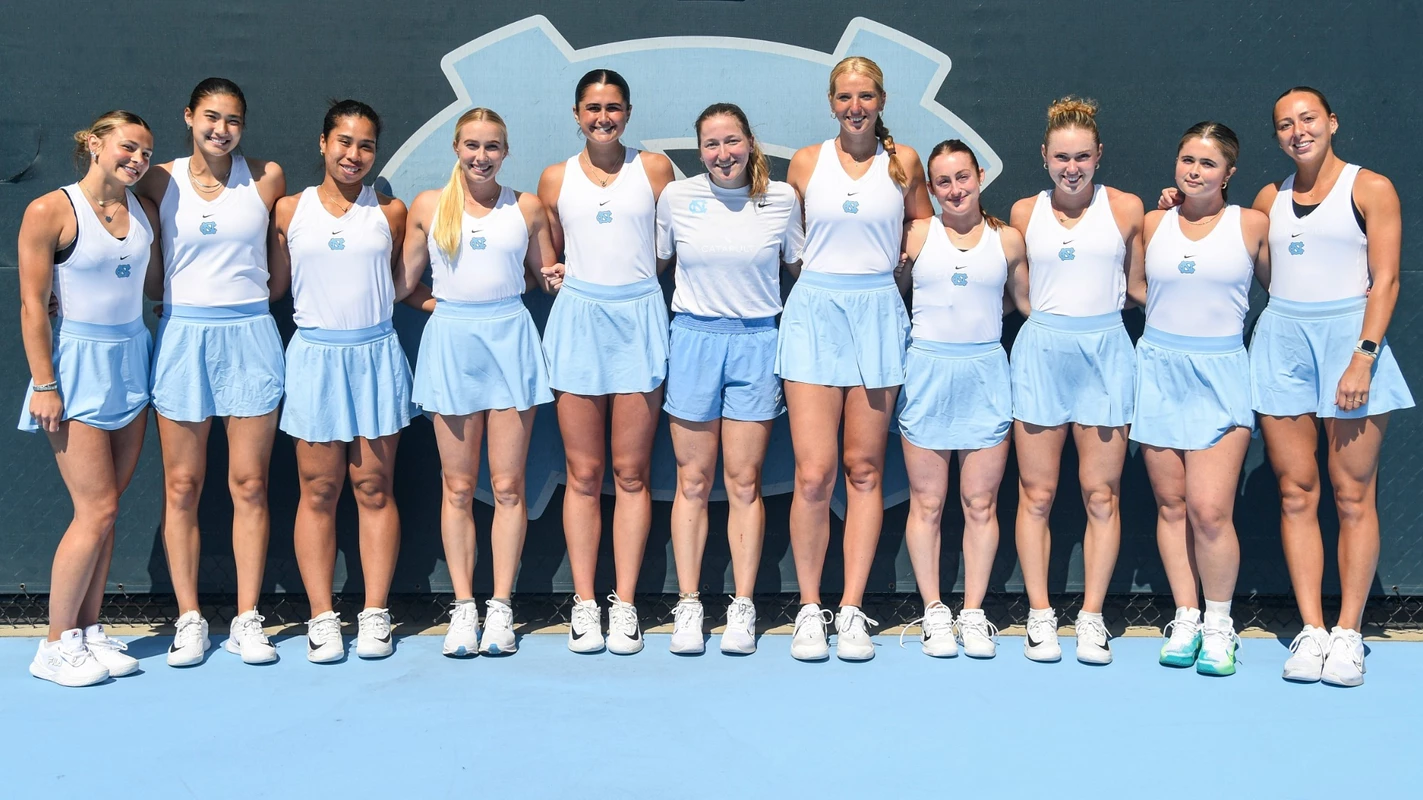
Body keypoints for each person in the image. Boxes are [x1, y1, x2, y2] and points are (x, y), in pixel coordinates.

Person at [1163, 88, 1414, 686]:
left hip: (1351, 344)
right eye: (1284, 124)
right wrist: (1182, 201)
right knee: (1297, 492)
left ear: (1331, 121)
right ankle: (1312, 631)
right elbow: (1248, 261)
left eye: (1307, 119)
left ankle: (1349, 633)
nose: (1297, 130)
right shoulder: (1267, 199)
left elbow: (1388, 281)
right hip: (1281, 343)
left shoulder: (1370, 188)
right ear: (1276, 137)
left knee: (1353, 496)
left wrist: (1363, 357)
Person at [780, 56, 933, 662]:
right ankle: (810, 610)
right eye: (845, 96)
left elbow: (922, 220)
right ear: (831, 101)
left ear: (881, 100)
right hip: (814, 316)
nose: (855, 107)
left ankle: (851, 611)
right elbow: (790, 241)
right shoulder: (806, 162)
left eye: (866, 95)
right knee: (814, 475)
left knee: (864, 470)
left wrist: (903, 262)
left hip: (876, 317)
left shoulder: (906, 163)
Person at [135, 78, 286, 667]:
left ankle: (248, 618)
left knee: (249, 485)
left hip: (250, 335)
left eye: (233, 120)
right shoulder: (159, 178)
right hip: (181, 338)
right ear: (189, 116)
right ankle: (191, 618)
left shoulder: (267, 178)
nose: (221, 129)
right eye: (211, 117)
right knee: (182, 487)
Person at [401, 108, 557, 657]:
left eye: (492, 147)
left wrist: (560, 276)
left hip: (511, 342)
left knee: (509, 487)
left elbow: (548, 275)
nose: (481, 156)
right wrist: (443, 305)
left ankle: (500, 609)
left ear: (506, 152)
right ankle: (464, 608)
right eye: (472, 145)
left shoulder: (528, 208)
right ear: (456, 148)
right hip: (451, 345)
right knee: (459, 487)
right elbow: (403, 284)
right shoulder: (427, 207)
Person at [656, 103, 804, 656]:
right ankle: (690, 604)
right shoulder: (677, 198)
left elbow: (804, 270)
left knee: (744, 483)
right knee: (692, 481)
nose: (723, 154)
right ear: (701, 151)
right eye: (712, 145)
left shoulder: (782, 198)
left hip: (757, 343)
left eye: (732, 141)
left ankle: (742, 606)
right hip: (693, 340)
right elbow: (646, 262)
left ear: (749, 142)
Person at [536, 69, 676, 655]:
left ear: (628, 111)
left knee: (631, 473)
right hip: (578, 325)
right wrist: (559, 277)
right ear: (575, 113)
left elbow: (669, 248)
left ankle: (624, 605)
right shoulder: (553, 178)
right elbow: (547, 259)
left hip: (639, 320)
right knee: (585, 475)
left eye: (613, 107)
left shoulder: (655, 169)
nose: (603, 117)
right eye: (592, 108)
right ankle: (585, 603)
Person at [269, 100, 413, 663]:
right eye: (344, 143)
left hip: (376, 358)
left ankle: (375, 613)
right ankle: (323, 617)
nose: (354, 155)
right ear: (323, 143)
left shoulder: (391, 212)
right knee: (319, 492)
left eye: (366, 146)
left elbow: (402, 283)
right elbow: (274, 286)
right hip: (314, 361)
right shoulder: (287, 210)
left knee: (374, 489)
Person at [18, 111, 159, 686]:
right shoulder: (50, 209)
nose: (138, 160)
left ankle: (87, 631)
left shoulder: (143, 209)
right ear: (96, 144)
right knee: (94, 508)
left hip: (133, 359)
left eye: (147, 154)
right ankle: (53, 646)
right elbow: (33, 304)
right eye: (129, 148)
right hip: (75, 367)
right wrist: (45, 383)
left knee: (109, 511)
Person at [1008, 96, 1144, 665]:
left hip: (1107, 355)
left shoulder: (1129, 209)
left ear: (1098, 155)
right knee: (1036, 494)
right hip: (1041, 352)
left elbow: (1141, 288)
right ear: (1044, 156)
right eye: (1061, 156)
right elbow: (1019, 295)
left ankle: (1091, 618)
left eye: (1082, 157)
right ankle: (1040, 615)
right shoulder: (1021, 213)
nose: (1072, 167)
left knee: (1100, 494)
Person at [1137, 123, 1268, 677]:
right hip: (1159, 368)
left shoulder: (1253, 225)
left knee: (1210, 512)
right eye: (1186, 159)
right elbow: (1137, 287)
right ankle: (1186, 616)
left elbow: (1280, 287)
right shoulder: (1152, 221)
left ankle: (1220, 626)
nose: (1194, 171)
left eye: (1208, 164)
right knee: (1171, 507)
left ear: (1229, 174)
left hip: (1222, 373)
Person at [896, 140, 1027, 659]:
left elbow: (1025, 304)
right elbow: (892, 288)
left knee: (980, 503)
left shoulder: (1009, 239)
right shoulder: (918, 233)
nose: (955, 189)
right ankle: (934, 613)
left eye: (963, 177)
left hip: (986, 374)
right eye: (943, 181)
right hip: (926, 372)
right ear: (930, 188)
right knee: (927, 502)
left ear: (979, 178)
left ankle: (972, 613)